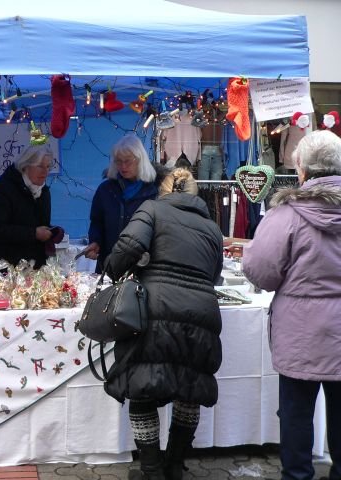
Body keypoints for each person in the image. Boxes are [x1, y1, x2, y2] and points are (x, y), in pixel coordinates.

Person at [103, 168, 223, 480]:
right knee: (189, 387)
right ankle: (173, 467)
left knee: (142, 388)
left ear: (164, 190)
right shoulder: (211, 227)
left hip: (155, 310)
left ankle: (152, 471)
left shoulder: (152, 209)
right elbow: (214, 274)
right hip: (201, 313)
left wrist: (114, 269)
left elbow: (128, 247)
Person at [242, 130, 341, 480]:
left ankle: (297, 476)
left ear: (300, 167)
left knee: (297, 413)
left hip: (301, 332)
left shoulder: (287, 214)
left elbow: (259, 271)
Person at [0, 144, 60, 282]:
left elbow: (37, 224)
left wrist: (51, 232)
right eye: (40, 166)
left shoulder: (44, 192)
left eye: (48, 167)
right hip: (3, 269)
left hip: (33, 269)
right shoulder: (3, 190)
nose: (45, 172)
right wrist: (33, 233)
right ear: (26, 165)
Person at [85, 133, 159, 273]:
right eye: (118, 161)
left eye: (128, 161)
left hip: (143, 268)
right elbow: (97, 222)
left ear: (140, 160)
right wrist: (95, 241)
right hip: (108, 265)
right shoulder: (105, 190)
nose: (123, 166)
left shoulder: (155, 191)